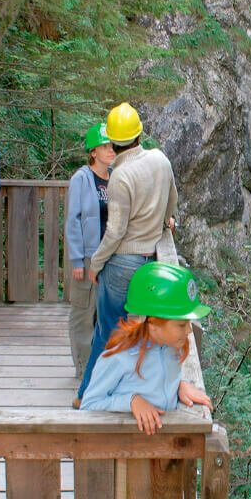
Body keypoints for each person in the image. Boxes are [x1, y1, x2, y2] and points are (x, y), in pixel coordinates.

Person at [73, 102, 177, 408]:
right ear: (139, 133)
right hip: (150, 262)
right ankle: (131, 390)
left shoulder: (120, 175)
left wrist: (96, 263)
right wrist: (163, 220)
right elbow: (172, 202)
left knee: (109, 330)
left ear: (114, 142)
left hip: (121, 263)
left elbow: (115, 231)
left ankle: (86, 395)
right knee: (141, 328)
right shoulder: (160, 160)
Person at [79, 262, 212, 433]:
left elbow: (156, 380)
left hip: (164, 450)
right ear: (153, 323)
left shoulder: (171, 348)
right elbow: (89, 404)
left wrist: (178, 385)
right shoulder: (120, 357)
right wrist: (131, 401)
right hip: (128, 452)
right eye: (181, 325)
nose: (188, 331)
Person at [65, 122, 115, 378]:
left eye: (113, 146)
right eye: (105, 146)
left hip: (110, 258)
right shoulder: (82, 179)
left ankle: (101, 369)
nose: (111, 151)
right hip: (87, 258)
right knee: (83, 315)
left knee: (105, 314)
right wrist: (76, 260)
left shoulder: (116, 176)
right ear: (93, 151)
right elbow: (73, 220)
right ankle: (83, 369)